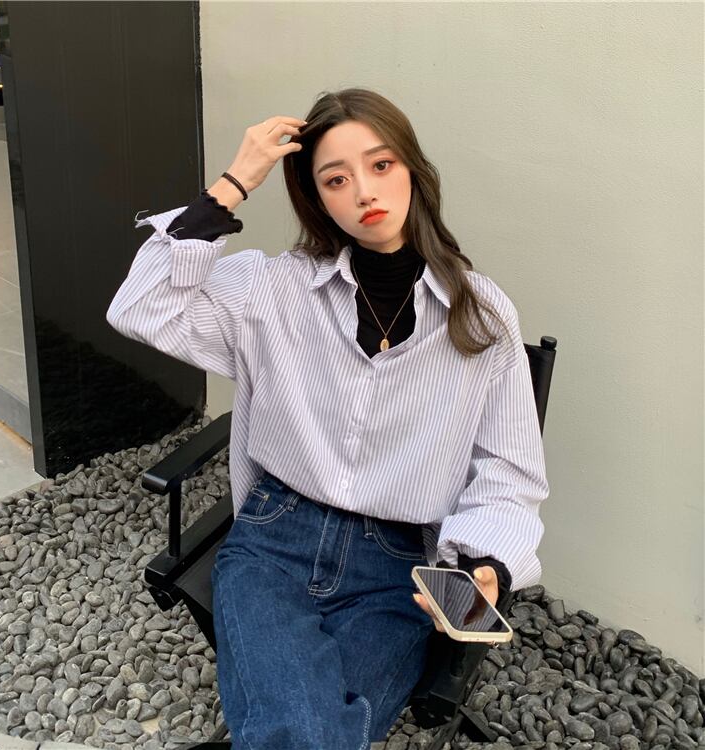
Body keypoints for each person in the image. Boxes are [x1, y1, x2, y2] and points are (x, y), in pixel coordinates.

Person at [106, 87, 549, 750]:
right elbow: (140, 307)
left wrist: (487, 565)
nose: (364, 191)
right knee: (317, 731)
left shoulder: (481, 316)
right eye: (335, 179)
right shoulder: (272, 288)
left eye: (381, 165)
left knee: (302, 731)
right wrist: (232, 184)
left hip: (397, 567)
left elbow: (509, 471)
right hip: (273, 543)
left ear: (413, 170)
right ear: (317, 198)